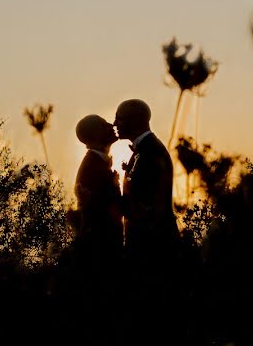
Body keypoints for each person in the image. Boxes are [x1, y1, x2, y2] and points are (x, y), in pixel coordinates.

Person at [114, 99, 178, 262]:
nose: (115, 123)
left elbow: (146, 205)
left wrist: (110, 196)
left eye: (119, 118)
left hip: (153, 248)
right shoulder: (144, 149)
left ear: (134, 120)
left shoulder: (151, 152)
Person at [72, 114, 123, 265]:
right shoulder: (92, 167)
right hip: (101, 254)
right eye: (104, 125)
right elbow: (98, 212)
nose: (111, 126)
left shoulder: (97, 163)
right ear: (95, 134)